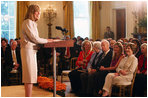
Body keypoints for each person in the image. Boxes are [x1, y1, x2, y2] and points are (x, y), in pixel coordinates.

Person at [20, 4, 53, 97]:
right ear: (32, 12)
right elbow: (34, 38)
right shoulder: (27, 22)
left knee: (31, 76)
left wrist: (46, 40)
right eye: (37, 11)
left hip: (32, 51)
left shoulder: (33, 23)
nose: (39, 14)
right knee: (29, 76)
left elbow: (36, 38)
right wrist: (47, 40)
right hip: (28, 51)